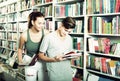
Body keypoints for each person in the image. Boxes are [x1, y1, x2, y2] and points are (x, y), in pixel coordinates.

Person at [38, 17, 76, 81]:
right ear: (61, 25)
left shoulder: (69, 38)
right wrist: (54, 59)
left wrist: (73, 56)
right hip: (54, 73)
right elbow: (40, 55)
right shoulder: (48, 37)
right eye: (65, 30)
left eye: (69, 32)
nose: (66, 33)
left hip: (67, 72)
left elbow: (69, 54)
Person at [18, 11, 49, 81]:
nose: (42, 25)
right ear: (32, 22)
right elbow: (20, 49)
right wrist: (20, 61)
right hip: (29, 62)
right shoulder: (24, 35)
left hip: (43, 62)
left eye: (43, 23)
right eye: (39, 23)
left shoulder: (46, 33)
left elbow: (51, 48)